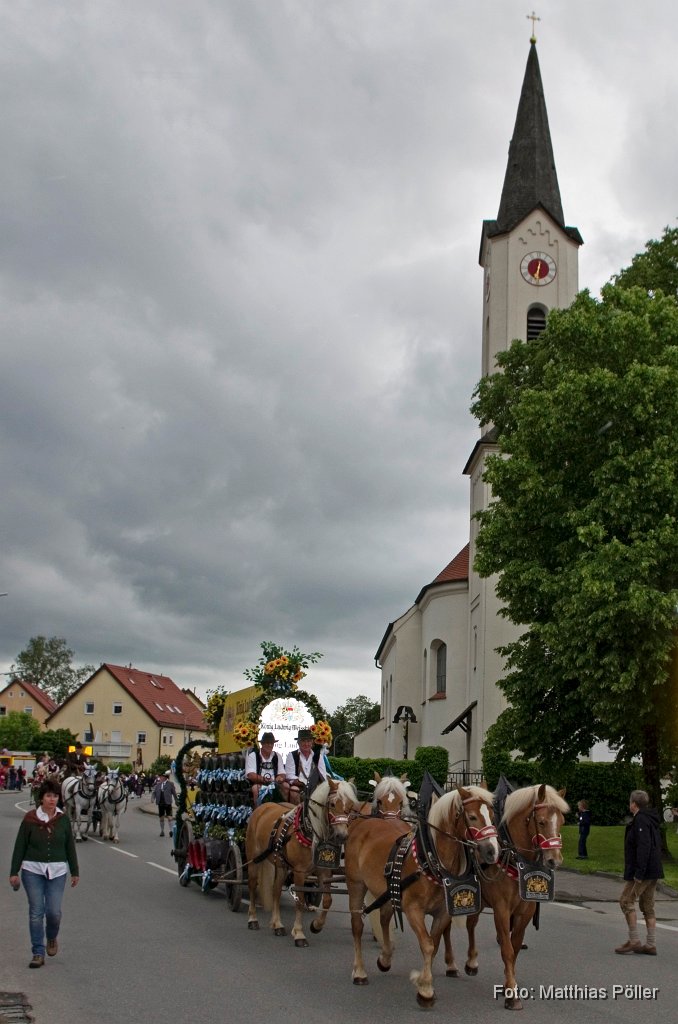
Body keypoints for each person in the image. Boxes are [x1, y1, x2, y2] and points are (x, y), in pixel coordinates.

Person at [9, 778, 80, 969]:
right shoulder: (30, 819)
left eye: (55, 796)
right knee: (36, 912)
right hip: (32, 870)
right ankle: (38, 952)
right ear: (42, 798)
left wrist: (74, 871)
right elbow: (20, 846)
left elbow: (69, 847)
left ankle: (51, 937)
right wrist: (14, 871)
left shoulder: (63, 820)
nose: (52, 799)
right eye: (48, 796)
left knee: (54, 912)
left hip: (57, 871)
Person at [615, 789, 664, 956]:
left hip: (643, 871)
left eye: (630, 802)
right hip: (653, 870)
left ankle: (634, 940)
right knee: (647, 906)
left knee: (626, 901)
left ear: (633, 804)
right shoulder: (649, 819)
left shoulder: (641, 820)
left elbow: (644, 846)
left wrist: (639, 872)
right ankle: (650, 944)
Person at [281, 729, 327, 805]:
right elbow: (289, 776)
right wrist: (304, 783)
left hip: (314, 787)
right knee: (293, 790)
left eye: (308, 741)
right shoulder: (292, 755)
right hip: (299, 787)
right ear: (298, 742)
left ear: (312, 742)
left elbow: (323, 775)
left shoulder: (318, 756)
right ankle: (295, 815)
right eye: (303, 741)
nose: (306, 744)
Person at [245, 733, 285, 803]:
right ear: (262, 744)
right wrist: (264, 779)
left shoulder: (277, 756)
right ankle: (258, 812)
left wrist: (280, 778)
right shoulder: (253, 755)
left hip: (275, 784)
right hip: (259, 783)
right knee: (255, 789)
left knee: (286, 786)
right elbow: (251, 774)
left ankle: (283, 810)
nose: (270, 745)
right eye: (267, 743)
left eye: (271, 743)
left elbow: (282, 773)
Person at [153, 770, 177, 836]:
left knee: (170, 817)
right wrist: (153, 798)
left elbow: (174, 793)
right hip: (160, 803)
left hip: (168, 802)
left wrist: (176, 800)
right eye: (160, 777)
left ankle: (171, 830)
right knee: (161, 817)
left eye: (161, 777)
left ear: (165, 777)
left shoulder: (170, 784)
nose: (160, 778)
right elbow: (154, 793)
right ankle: (162, 831)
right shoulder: (158, 784)